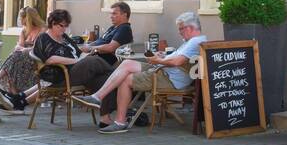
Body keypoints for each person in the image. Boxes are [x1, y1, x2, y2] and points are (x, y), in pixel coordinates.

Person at [75, 12, 207, 132]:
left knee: (125, 79)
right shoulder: (196, 41)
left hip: (168, 78)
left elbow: (177, 62)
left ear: (189, 28)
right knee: (127, 63)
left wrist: (158, 60)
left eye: (180, 29)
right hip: (164, 71)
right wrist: (163, 57)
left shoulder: (194, 42)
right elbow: (179, 59)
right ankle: (97, 97)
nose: (179, 32)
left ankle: (120, 122)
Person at [0, 6, 45, 110]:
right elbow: (18, 46)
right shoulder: (24, 31)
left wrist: (25, 48)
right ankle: (13, 95)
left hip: (35, 59)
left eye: (21, 18)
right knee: (16, 56)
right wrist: (23, 48)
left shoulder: (42, 30)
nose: (20, 20)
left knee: (16, 56)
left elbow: (38, 49)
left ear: (28, 18)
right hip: (22, 58)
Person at [78, 2, 135, 66]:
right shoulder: (113, 27)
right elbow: (101, 42)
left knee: (71, 62)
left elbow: (111, 48)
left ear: (124, 15)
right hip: (91, 55)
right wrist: (87, 46)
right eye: (111, 14)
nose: (111, 16)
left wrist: (91, 48)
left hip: (99, 61)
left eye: (114, 14)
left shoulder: (124, 29)